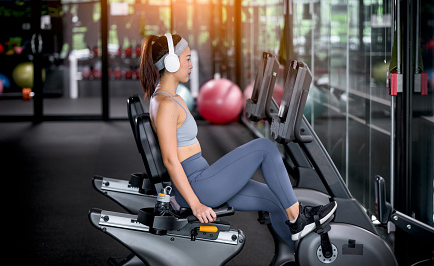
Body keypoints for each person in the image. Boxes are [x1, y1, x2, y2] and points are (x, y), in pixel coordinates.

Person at [139, 33, 337, 249]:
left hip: (204, 180)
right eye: (187, 59)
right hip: (199, 187)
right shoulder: (166, 104)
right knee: (265, 148)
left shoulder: (167, 97)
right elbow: (170, 160)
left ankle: (297, 254)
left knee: (278, 198)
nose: (191, 65)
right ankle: (299, 221)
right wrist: (196, 205)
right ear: (171, 61)